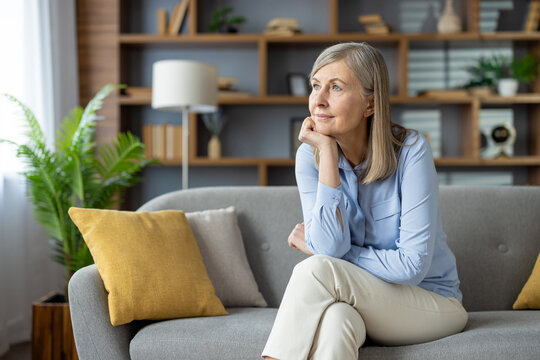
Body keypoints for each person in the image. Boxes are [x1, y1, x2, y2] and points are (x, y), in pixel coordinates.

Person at [261, 42, 468, 360]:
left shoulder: (411, 150)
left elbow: (411, 267)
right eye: (315, 86)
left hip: (431, 304)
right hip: (361, 303)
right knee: (336, 321)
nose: (319, 100)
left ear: (370, 104)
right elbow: (330, 250)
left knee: (315, 269)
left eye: (336, 87)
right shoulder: (310, 155)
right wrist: (328, 154)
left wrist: (325, 251)